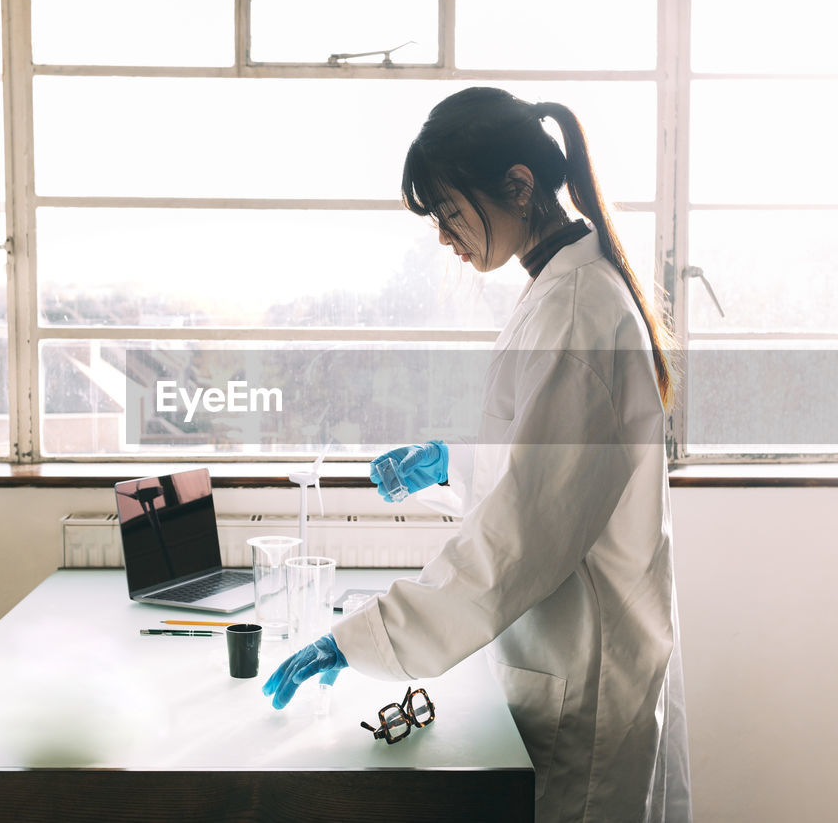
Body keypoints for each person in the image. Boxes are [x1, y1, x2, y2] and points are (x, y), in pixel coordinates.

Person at [262, 86, 692, 822]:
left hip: (584, 676)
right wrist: (456, 463)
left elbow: (524, 533)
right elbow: (552, 475)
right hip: (572, 658)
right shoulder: (564, 287)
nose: (442, 236)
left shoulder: (578, 308)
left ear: (518, 187)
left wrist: (368, 633)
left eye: (450, 211)